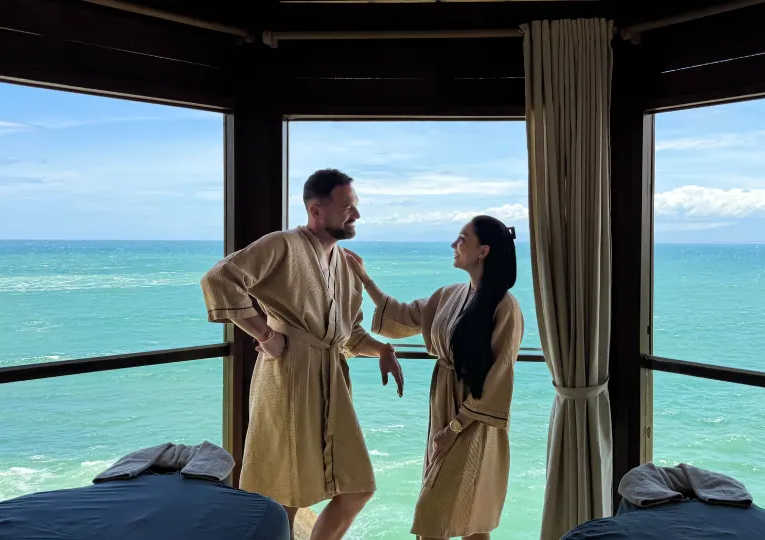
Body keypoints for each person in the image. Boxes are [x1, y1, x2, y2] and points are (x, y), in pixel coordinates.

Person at [200, 168, 405, 540]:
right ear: (316, 210)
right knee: (284, 490)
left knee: (358, 486)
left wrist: (383, 349)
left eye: (355, 207)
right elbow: (218, 280)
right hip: (288, 377)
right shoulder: (282, 245)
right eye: (347, 208)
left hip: (330, 381)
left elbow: (347, 333)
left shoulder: (346, 263)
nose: (356, 215)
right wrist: (264, 332)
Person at [345, 215, 524, 540]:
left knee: (444, 517)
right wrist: (364, 278)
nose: (454, 245)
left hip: (473, 423)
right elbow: (402, 314)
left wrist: (453, 429)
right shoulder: (449, 295)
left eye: (462, 239)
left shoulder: (505, 308)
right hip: (442, 406)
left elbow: (499, 380)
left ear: (482, 251)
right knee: (468, 519)